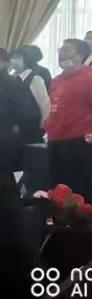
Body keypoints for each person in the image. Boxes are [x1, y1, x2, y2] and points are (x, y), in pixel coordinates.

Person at [45, 39, 92, 206]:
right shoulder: (57, 80)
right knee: (57, 188)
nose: (61, 53)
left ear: (80, 55)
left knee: (81, 188)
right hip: (55, 140)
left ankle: (91, 221)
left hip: (79, 141)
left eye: (67, 50)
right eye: (61, 49)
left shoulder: (90, 78)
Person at [0, 49, 41, 202]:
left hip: (6, 145)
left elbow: (30, 115)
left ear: (5, 63)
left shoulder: (12, 84)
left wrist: (12, 132)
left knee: (6, 186)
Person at [10, 46, 50, 123]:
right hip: (12, 123)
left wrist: (44, 123)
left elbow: (45, 105)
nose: (13, 60)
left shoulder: (35, 79)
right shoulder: (12, 77)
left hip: (30, 123)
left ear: (27, 59)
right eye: (12, 57)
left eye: (17, 57)